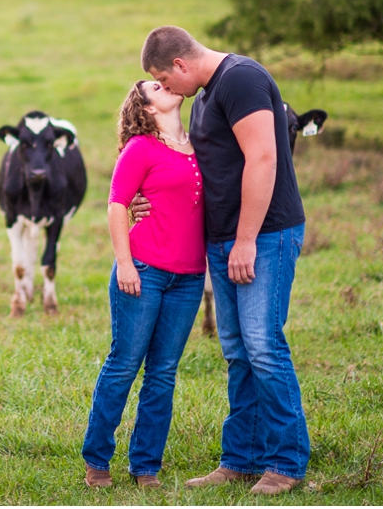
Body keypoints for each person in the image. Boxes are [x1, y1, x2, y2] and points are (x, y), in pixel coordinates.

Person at [137, 25, 309, 496]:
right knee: (237, 353)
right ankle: (241, 458)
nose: (167, 90)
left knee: (263, 347)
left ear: (180, 65)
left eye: (165, 80)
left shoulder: (242, 79)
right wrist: (143, 199)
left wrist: (247, 239)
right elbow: (202, 166)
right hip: (225, 239)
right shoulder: (207, 93)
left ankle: (287, 463)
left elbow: (264, 158)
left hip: (264, 235)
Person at [82, 80, 206, 489]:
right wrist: (124, 265)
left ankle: (145, 466)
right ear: (148, 106)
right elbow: (117, 204)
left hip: (188, 278)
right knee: (124, 364)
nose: (165, 84)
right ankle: (97, 460)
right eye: (155, 85)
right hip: (143, 270)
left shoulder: (199, 143)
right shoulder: (140, 148)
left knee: (164, 372)